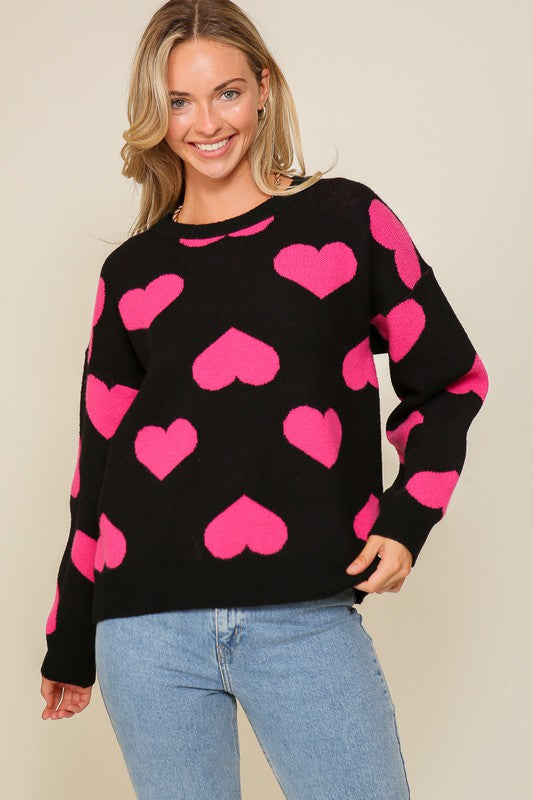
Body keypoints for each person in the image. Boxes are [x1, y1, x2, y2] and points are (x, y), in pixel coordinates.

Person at [39, 1, 489, 798]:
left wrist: (407, 517)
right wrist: (71, 637)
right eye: (179, 101)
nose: (206, 123)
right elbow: (98, 465)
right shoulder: (133, 273)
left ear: (264, 90)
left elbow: (449, 381)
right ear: (155, 115)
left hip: (303, 615)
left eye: (227, 93)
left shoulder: (345, 220)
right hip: (145, 627)